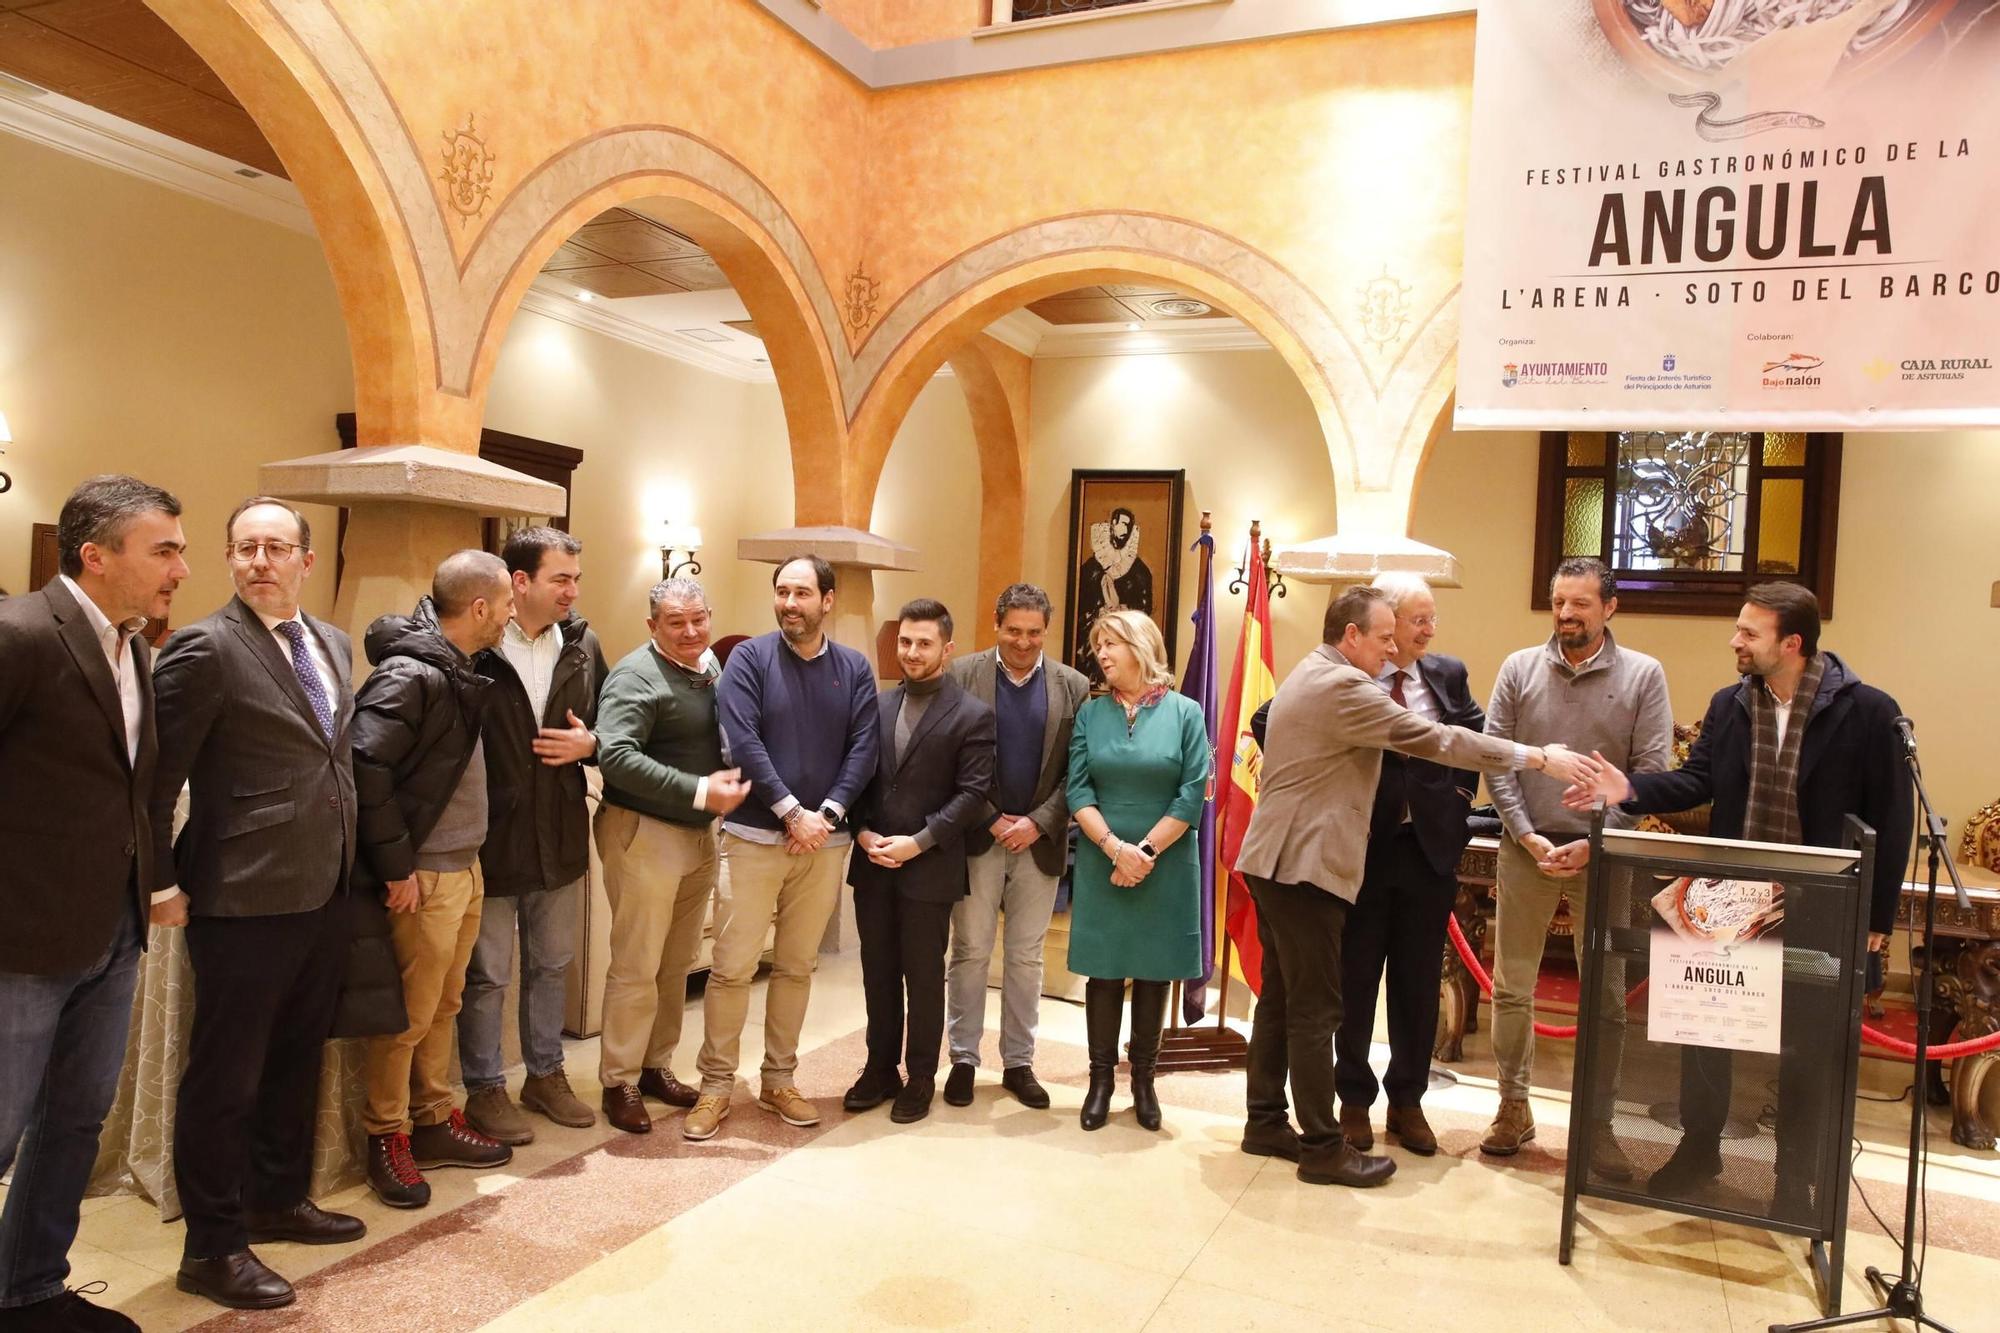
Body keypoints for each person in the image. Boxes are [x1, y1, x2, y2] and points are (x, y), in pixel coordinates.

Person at [1562, 582, 1913, 1210]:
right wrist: (1628, 789)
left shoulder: (1869, 712)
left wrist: (1876, 920)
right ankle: (1699, 1149)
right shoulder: (1731, 705)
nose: (1735, 641)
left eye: (1749, 633)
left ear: (1793, 643)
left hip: (1822, 905)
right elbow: (1698, 779)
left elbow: (1892, 818)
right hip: (1731, 901)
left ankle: (1793, 1181)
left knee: (1807, 1051)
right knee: (1706, 1037)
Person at [1235, 585, 1595, 1187]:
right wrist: (1538, 758)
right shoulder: (1346, 686)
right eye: (1383, 638)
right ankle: (1323, 1147)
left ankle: (1265, 1121)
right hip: (1304, 864)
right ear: (1352, 635)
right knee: (1317, 1008)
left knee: (1279, 998)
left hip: (1275, 860)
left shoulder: (1312, 668)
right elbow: (1438, 739)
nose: (1391, 649)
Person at [148, 498, 362, 1310]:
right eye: (245, 548)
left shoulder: (332, 641)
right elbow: (156, 781)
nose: (260, 561)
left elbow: (332, 760)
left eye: (276, 547)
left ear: (307, 559)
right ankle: (212, 1244)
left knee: (294, 1060)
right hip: (240, 893)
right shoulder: (206, 647)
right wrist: (161, 881)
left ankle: (277, 1198)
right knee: (225, 1077)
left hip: (324, 887)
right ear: (228, 559)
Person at [0, 476, 186, 1333]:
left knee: (74, 1120)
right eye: (165, 550)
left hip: (112, 930)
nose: (180, 568)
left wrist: (152, 886)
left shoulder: (135, 648)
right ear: (95, 555)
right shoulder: (21, 634)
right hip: (22, 934)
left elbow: (132, 786)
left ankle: (30, 1288)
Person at [1479, 557, 1671, 1179]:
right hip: (1525, 847)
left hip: (1604, 853)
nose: (1566, 614)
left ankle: (1599, 1121)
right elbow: (1498, 759)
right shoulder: (1518, 669)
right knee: (1512, 985)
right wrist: (1527, 834)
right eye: (1559, 602)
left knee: (1608, 997)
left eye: (1580, 604)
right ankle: (1513, 1106)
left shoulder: (1644, 676)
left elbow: (1651, 774)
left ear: (1609, 607)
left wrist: (1599, 840)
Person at [690, 556, 879, 1140]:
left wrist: (824, 814)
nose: (789, 603)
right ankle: (715, 1087)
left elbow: (864, 747)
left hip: (822, 843)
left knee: (797, 966)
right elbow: (743, 739)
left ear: (827, 600)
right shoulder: (747, 659)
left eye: (802, 593)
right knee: (732, 969)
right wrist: (790, 811)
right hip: (753, 840)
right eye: (781, 592)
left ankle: (779, 1080)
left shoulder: (854, 668)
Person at [351, 551, 516, 1208]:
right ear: (479, 608)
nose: (510, 613)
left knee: (444, 1005)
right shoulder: (410, 674)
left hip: (463, 866)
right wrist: (396, 867)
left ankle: (432, 1116)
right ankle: (385, 1133)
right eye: (505, 602)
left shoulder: (460, 665)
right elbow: (366, 767)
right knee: (407, 1016)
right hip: (423, 873)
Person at [1329, 574, 1488, 1157]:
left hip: (1428, 853)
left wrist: (1459, 800)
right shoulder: (1347, 673)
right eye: (1417, 619)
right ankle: (1351, 1099)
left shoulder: (1446, 674)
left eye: (1431, 619)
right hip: (1361, 851)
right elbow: (1272, 720)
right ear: (1385, 623)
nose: (1428, 630)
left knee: (1418, 985)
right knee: (1356, 979)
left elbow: (1475, 735)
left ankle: (1407, 1102)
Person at [459, 527, 607, 1146]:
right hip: (492, 835)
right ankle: (485, 1087)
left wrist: (591, 743)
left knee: (552, 964)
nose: (574, 591)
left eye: (576, 578)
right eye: (561, 579)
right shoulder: (478, 644)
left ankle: (545, 1076)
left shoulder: (582, 643)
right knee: (489, 973)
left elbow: (608, 721)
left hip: (561, 832)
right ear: (520, 584)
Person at [593, 578, 749, 1134]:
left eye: (698, 619)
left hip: (696, 836)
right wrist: (702, 790)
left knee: (675, 963)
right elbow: (614, 756)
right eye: (676, 622)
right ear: (652, 626)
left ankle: (655, 1064)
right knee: (637, 964)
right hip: (645, 833)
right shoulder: (636, 676)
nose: (690, 631)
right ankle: (619, 1080)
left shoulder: (708, 665)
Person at [846, 600, 996, 1124]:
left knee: (924, 976)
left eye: (924, 643)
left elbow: (973, 795)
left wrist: (918, 841)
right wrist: (861, 831)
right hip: (873, 863)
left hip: (929, 868)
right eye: (905, 641)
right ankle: (879, 1068)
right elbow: (859, 778)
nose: (912, 652)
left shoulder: (974, 714)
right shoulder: (876, 706)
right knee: (877, 972)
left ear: (947, 649)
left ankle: (920, 1077)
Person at [942, 583, 1090, 1111]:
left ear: (1045, 630)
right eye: (1014, 631)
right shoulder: (962, 675)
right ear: (996, 624)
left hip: (1040, 842)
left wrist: (1038, 821)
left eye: (1034, 633)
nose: (1023, 642)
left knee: (1026, 957)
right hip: (977, 838)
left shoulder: (1073, 685)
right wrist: (988, 816)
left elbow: (1080, 768)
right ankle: (963, 1058)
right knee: (971, 951)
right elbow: (949, 756)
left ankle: (1019, 1062)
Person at [1066, 608, 1209, 1133]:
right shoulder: (1091, 713)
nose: (1101, 654)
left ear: (1140, 646)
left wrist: (1143, 852)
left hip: (1165, 861)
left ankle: (1144, 1081)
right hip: (1104, 859)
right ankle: (1099, 1080)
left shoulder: (1186, 713)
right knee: (1103, 971)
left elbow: (1193, 793)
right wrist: (1113, 848)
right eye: (1097, 645)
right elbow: (1077, 789)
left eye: (1111, 644)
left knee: (1153, 971)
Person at [1072, 508, 1153, 683]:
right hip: (1094, 639)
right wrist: (1097, 613)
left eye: (1128, 526)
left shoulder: (1140, 572)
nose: (1124, 530)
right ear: (1112, 526)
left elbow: (1144, 612)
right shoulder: (1090, 569)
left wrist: (1124, 613)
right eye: (1121, 524)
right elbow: (1079, 608)